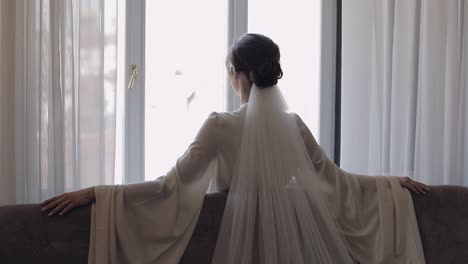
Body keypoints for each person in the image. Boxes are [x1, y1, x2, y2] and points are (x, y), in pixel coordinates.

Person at [41, 33, 429, 263]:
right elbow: (335, 180)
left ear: (238, 75)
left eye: (229, 70)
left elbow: (169, 187)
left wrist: (96, 193)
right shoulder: (293, 126)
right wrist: (391, 184)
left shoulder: (220, 125)